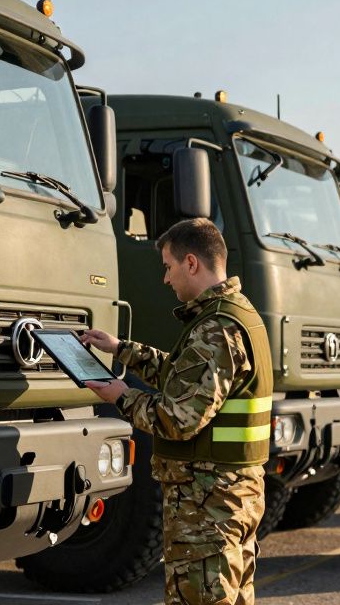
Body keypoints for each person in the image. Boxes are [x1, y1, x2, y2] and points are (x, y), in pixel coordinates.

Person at [80, 218, 273, 605]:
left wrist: (120, 396)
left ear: (191, 263)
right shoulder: (237, 314)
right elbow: (186, 376)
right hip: (232, 494)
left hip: (207, 501)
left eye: (168, 267)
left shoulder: (215, 327)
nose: (166, 279)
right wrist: (121, 349)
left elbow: (177, 419)